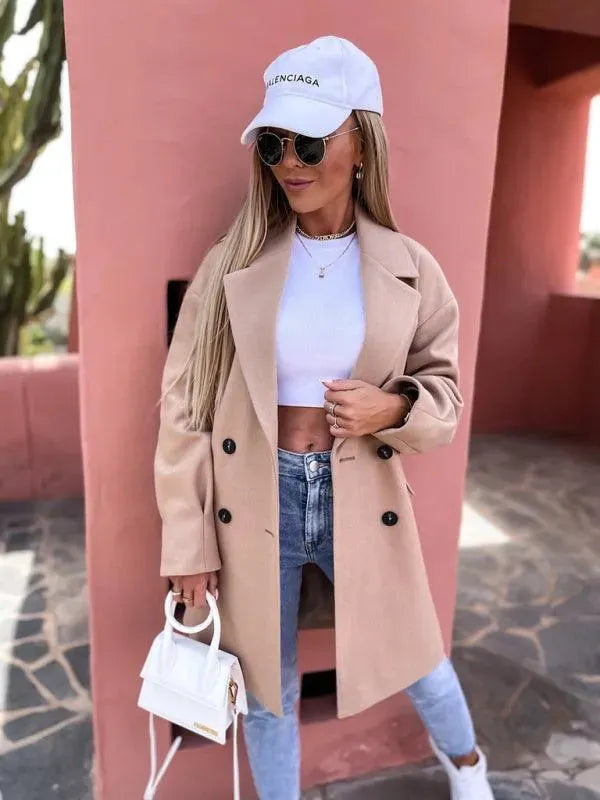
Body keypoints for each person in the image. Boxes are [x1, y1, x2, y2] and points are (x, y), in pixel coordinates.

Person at [154, 35, 495, 800]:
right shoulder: (233, 262)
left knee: (416, 651)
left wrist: (393, 407)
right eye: (274, 143)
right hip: (254, 494)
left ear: (361, 145)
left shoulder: (410, 267)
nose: (290, 162)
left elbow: (444, 395)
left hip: (359, 491)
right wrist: (187, 540)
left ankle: (470, 769)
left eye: (309, 142)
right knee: (266, 688)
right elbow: (184, 409)